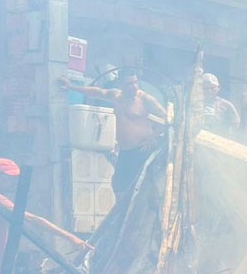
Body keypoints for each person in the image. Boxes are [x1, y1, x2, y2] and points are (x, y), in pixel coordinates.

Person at [59, 71, 167, 203]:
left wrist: (152, 136)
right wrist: (72, 87)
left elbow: (166, 119)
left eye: (136, 82)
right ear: (121, 85)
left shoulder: (145, 99)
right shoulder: (116, 96)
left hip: (142, 150)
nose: (134, 86)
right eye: (129, 84)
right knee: (118, 186)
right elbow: (97, 92)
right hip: (126, 151)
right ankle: (122, 216)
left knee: (140, 186)